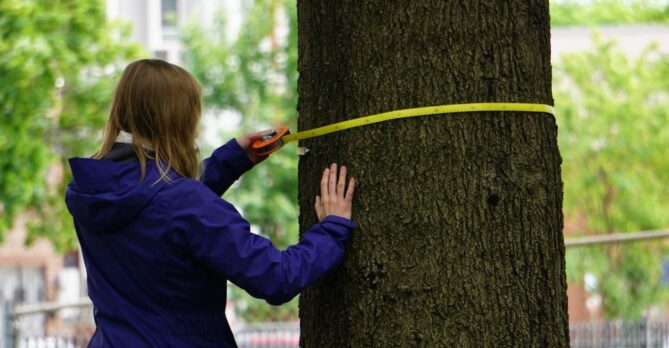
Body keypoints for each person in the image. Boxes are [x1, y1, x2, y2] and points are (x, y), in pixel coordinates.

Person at [65, 59, 356, 347]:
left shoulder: (89, 190)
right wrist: (332, 230)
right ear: (179, 121)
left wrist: (228, 162)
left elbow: (158, 211)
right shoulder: (185, 203)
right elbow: (276, 277)